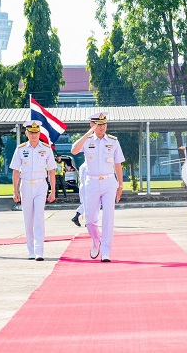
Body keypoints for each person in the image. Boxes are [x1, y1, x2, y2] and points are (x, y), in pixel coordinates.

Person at [71, 112, 125, 262]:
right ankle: (96, 240)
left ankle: (106, 252)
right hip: (92, 183)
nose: (102, 127)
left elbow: (117, 164)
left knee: (108, 218)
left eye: (104, 124)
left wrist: (120, 185)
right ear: (92, 125)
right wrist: (88, 133)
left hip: (109, 182)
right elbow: (74, 150)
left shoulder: (113, 141)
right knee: (90, 219)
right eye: (99, 125)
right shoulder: (87, 140)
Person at [9, 120, 56, 261]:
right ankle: (31, 250)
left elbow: (52, 171)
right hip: (26, 186)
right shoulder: (21, 149)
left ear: (39, 133)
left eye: (36, 132)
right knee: (28, 218)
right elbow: (15, 171)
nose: (34, 135)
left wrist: (53, 191)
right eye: (31, 132)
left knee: (39, 217)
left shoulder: (46, 149)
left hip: (40, 185)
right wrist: (15, 191)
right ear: (26, 133)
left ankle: (39, 251)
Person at [71, 161, 88, 227]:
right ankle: (86, 221)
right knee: (88, 204)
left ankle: (77, 216)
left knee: (85, 203)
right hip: (87, 186)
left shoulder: (82, 166)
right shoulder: (88, 166)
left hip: (82, 186)